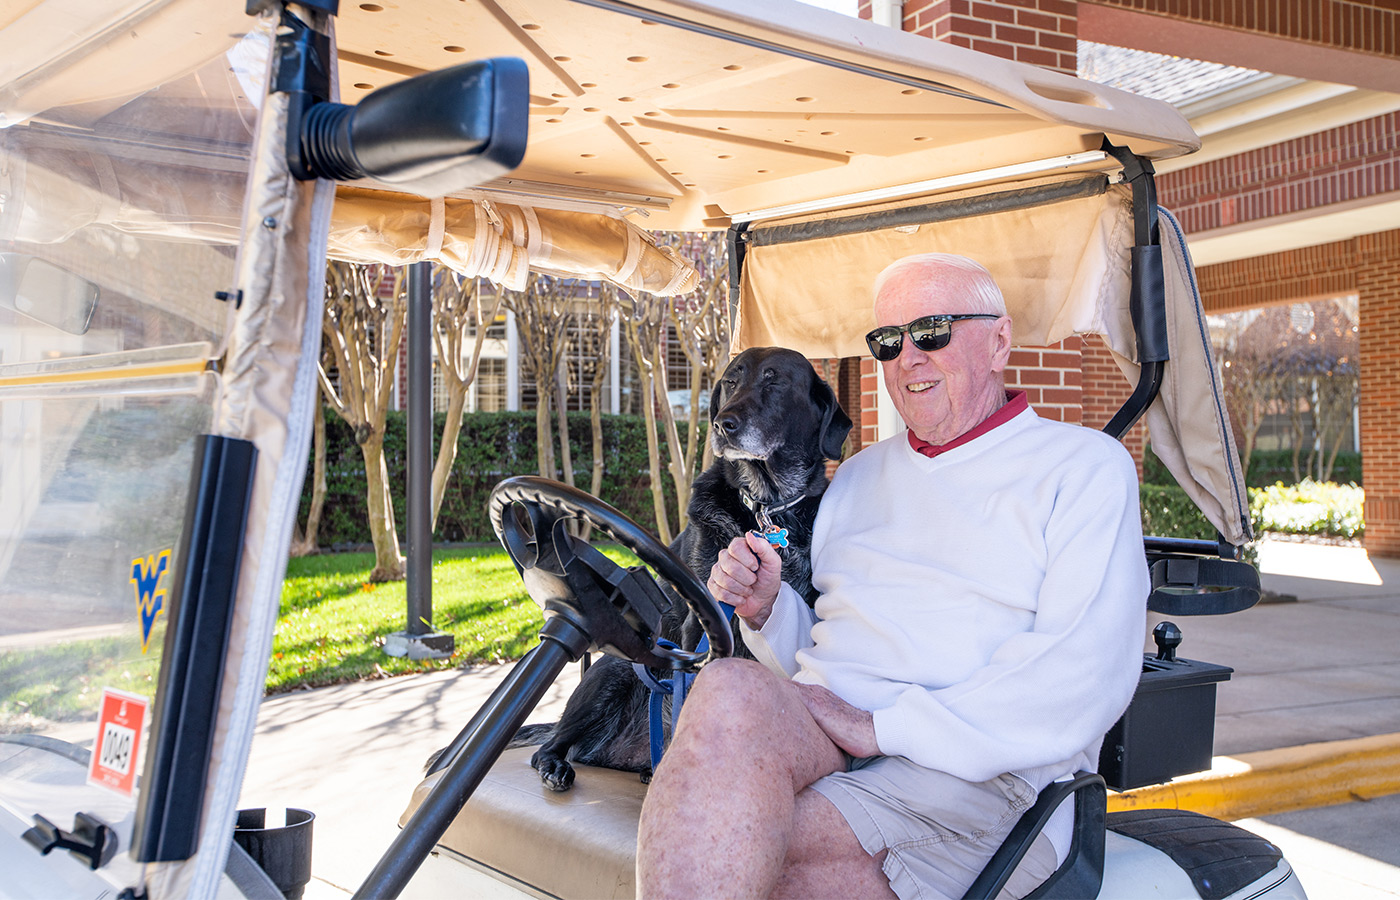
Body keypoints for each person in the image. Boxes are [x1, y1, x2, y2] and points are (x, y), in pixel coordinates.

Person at [635, 253, 1149, 900]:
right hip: (836, 728)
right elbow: (832, 643)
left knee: (726, 841)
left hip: (987, 775)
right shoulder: (855, 478)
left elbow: (1082, 672)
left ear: (998, 342)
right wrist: (771, 610)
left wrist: (883, 729)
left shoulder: (1082, 469)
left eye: (932, 331)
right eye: (888, 340)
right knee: (728, 688)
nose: (908, 357)